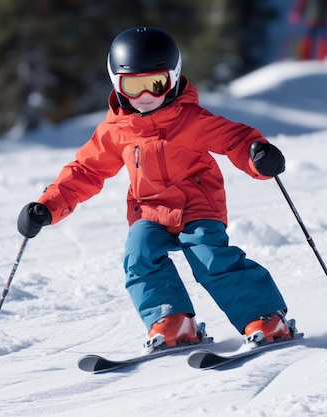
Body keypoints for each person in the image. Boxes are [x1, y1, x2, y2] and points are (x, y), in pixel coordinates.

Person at [17, 27, 293, 350]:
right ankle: (172, 319)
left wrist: (257, 156)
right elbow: (86, 169)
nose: (145, 96)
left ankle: (265, 316)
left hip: (197, 206)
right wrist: (48, 206)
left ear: (173, 79)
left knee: (208, 256)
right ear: (116, 84)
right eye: (133, 86)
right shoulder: (116, 130)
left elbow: (235, 139)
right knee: (139, 253)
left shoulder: (190, 119)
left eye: (156, 83)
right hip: (148, 210)